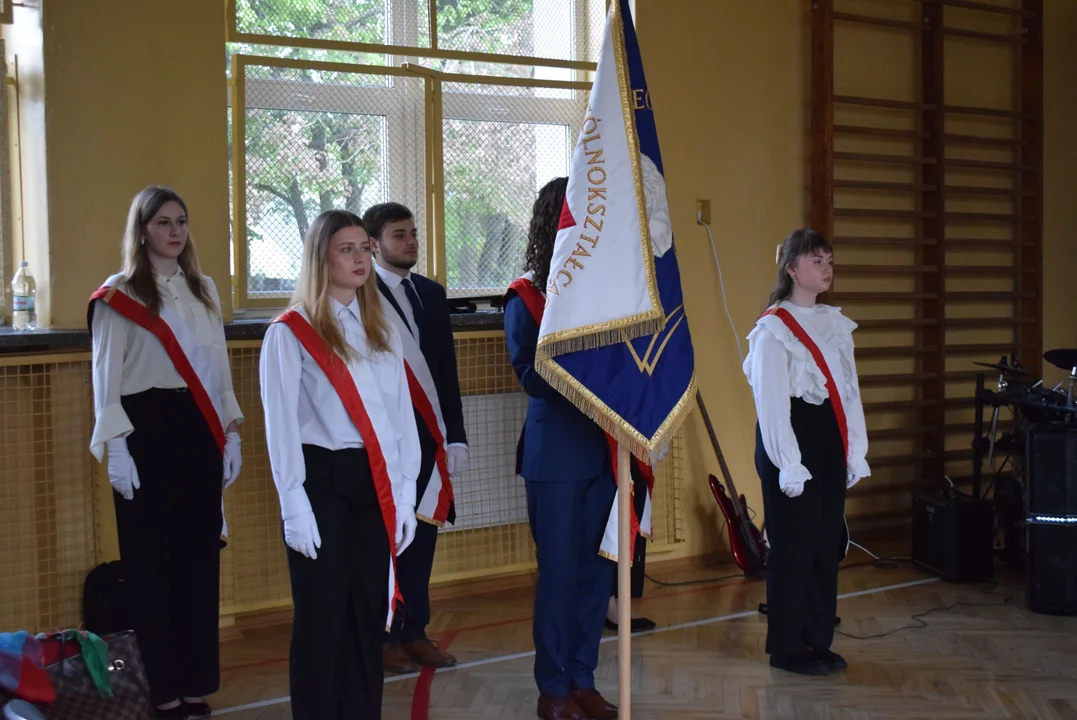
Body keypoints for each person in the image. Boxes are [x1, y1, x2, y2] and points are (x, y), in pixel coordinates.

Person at [88, 186, 244, 719]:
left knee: (198, 561)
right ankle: (161, 689)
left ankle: (195, 682)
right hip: (143, 431)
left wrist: (231, 431)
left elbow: (218, 372)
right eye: (162, 222)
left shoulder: (204, 290)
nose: (174, 231)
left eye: (181, 221)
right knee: (150, 566)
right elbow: (105, 379)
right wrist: (116, 449)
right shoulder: (119, 294)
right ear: (142, 230)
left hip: (198, 427)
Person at [259, 210, 420, 719]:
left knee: (366, 614)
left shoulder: (382, 330)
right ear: (321, 258)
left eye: (364, 248)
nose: (359, 258)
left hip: (373, 482)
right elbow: (280, 426)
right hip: (320, 484)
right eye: (346, 249)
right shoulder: (291, 333)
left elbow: (399, 418)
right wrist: (293, 505)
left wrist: (406, 492)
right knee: (321, 618)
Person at [503, 177, 618, 720]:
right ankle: (552, 687)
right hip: (555, 455)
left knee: (597, 575)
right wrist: (590, 376)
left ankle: (583, 677)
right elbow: (529, 373)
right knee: (558, 575)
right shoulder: (526, 293)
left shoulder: (605, 290)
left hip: (603, 450)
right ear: (556, 221)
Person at [742, 228, 870, 676]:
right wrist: (788, 462)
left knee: (823, 545)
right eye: (817, 261)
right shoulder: (773, 328)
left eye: (830, 262)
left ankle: (818, 640)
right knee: (794, 548)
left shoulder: (835, 324)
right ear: (792, 268)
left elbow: (849, 393)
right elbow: (772, 401)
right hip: (789, 440)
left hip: (828, 437)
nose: (826, 269)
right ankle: (787, 647)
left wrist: (855, 450)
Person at [365, 202, 467, 672]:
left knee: (423, 534)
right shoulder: (359, 294)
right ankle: (383, 637)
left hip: (428, 437)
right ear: (373, 243)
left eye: (413, 233)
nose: (411, 241)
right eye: (399, 234)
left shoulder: (431, 292)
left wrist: (456, 436)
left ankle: (415, 632)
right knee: (384, 539)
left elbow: (445, 373)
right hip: (383, 440)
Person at [604, 460, 657, 634]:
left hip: (626, 439)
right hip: (600, 442)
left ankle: (619, 598)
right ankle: (608, 602)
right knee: (610, 513)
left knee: (636, 492)